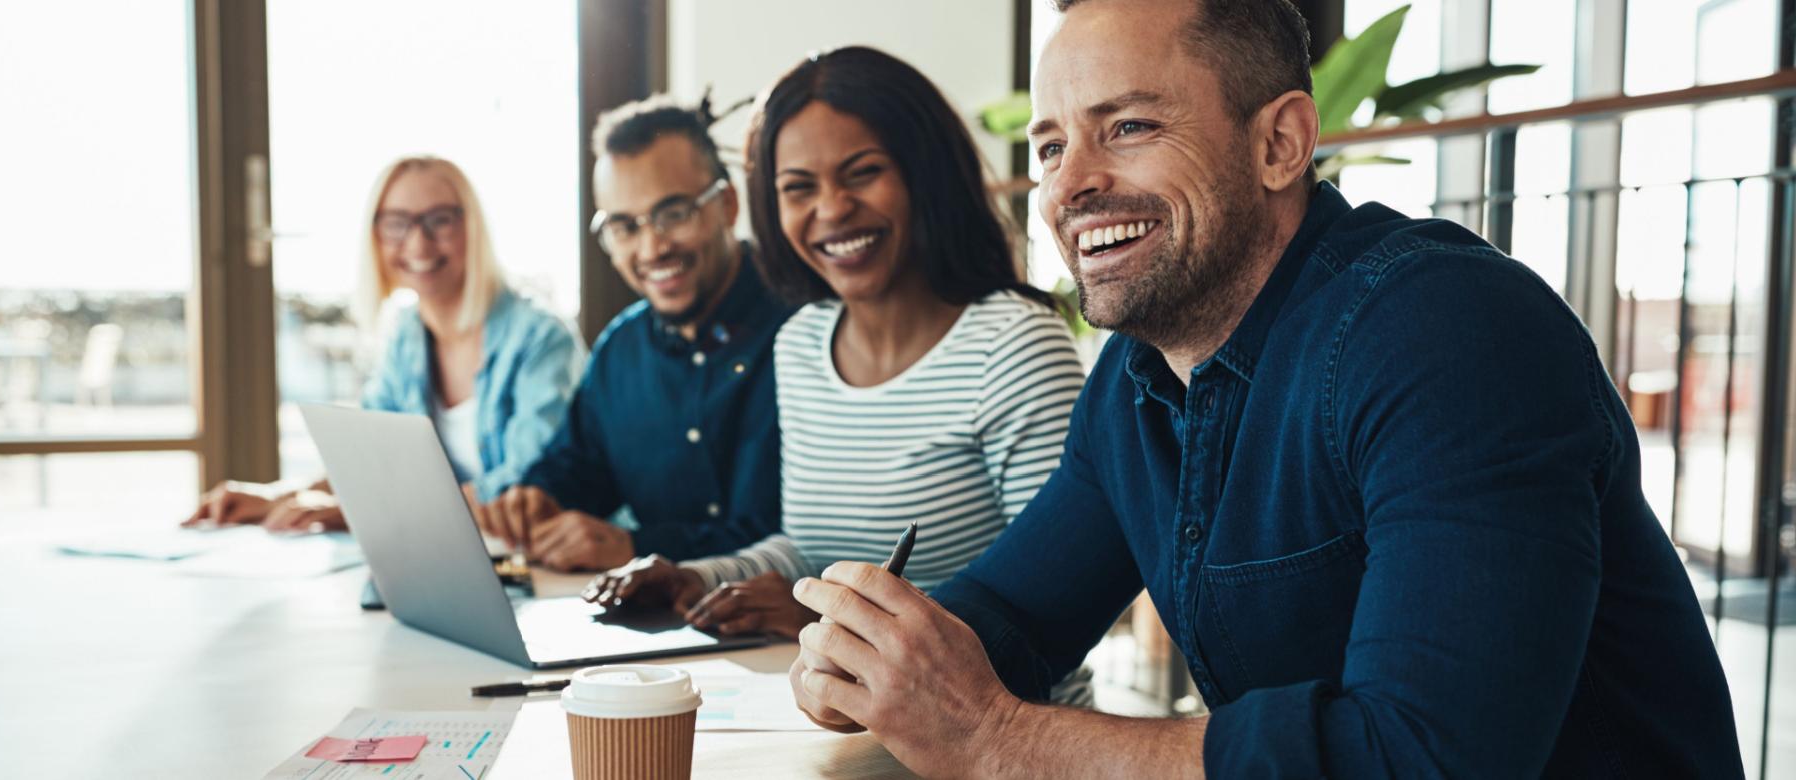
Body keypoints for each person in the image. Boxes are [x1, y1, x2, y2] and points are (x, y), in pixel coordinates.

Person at [784, 0, 1745, 777]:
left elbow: (1428, 757)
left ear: (1280, 142)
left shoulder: (1445, 328)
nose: (1070, 184)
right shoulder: (1135, 376)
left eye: (1128, 125)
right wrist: (875, 653)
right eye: (1047, 147)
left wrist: (1000, 740)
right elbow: (1017, 615)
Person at [582, 48, 1087, 655]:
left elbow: (1058, 604)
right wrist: (697, 576)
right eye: (798, 188)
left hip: (995, 735)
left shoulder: (1014, 345)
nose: (831, 209)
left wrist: (831, 625)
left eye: (862, 173)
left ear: (923, 174)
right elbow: (807, 551)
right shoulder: (801, 342)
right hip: (836, 716)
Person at [471, 95, 795, 572]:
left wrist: (637, 546)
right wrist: (538, 498)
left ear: (726, 204)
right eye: (624, 226)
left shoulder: (805, 332)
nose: (652, 247)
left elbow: (794, 537)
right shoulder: (621, 349)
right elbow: (580, 466)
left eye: (674, 214)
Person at [184, 156, 581, 534]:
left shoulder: (540, 338)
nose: (418, 244)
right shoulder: (406, 336)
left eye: (439, 221)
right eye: (397, 223)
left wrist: (361, 512)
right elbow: (372, 462)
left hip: (542, 560)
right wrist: (277, 496)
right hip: (448, 556)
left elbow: (528, 486)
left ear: (472, 228)